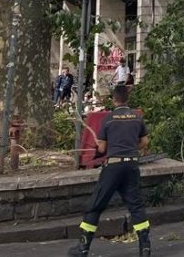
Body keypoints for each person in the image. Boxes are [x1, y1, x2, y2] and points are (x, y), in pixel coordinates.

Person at [67, 85, 151, 257]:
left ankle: (83, 248)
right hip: (131, 165)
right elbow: (145, 142)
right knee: (136, 206)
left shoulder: (108, 118)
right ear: (127, 99)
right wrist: (129, 147)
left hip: (113, 167)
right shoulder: (137, 117)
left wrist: (105, 147)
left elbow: (102, 147)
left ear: (114, 100)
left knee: (95, 206)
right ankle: (145, 248)